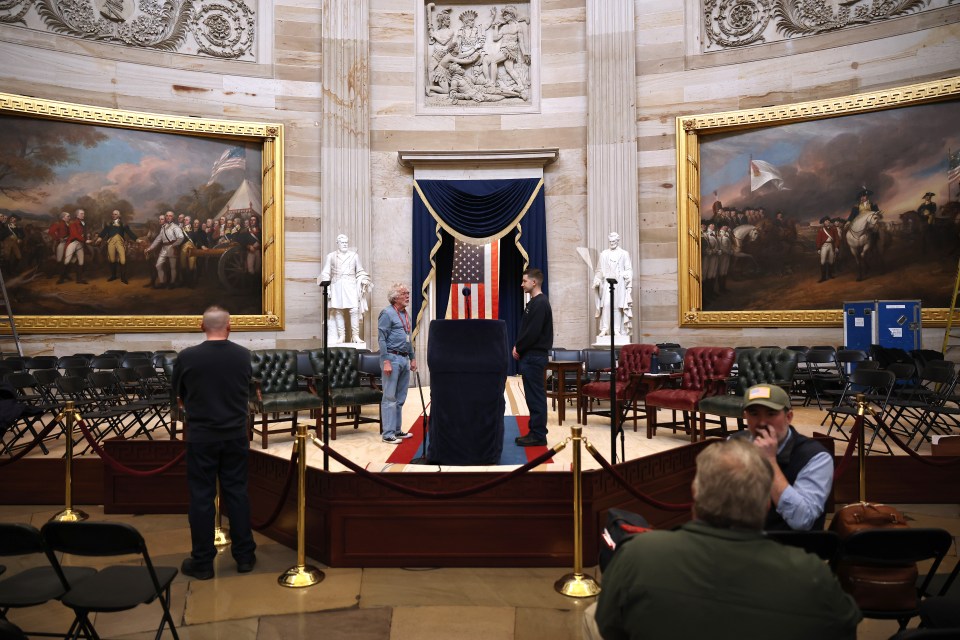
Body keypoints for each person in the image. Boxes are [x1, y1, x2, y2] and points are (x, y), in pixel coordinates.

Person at [590, 438, 861, 640]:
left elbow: (609, 625)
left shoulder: (637, 555)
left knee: (590, 614)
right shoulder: (813, 575)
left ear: (695, 493)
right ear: (767, 502)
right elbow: (844, 628)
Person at [173, 306, 257, 580]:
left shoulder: (187, 358)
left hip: (201, 436)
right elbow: (247, 391)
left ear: (201, 326)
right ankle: (245, 557)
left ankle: (203, 562)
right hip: (235, 434)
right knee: (237, 494)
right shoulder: (243, 356)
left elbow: (179, 396)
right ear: (229, 326)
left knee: (201, 498)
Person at [740, 383, 833, 531]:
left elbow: (802, 520)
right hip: (742, 542)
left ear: (788, 417)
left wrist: (769, 461)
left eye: (771, 413)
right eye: (754, 413)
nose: (762, 422)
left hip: (791, 545)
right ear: (745, 416)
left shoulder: (816, 457)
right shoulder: (735, 444)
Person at [513, 267, 553, 447]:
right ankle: (535, 431)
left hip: (534, 356)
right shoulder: (534, 303)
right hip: (531, 355)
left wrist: (519, 347)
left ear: (534, 282)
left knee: (535, 396)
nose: (522, 284)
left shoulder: (540, 303)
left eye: (524, 281)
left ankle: (538, 435)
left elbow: (533, 333)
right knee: (532, 396)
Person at [378, 283, 417, 444]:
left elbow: (408, 339)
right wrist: (385, 361)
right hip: (392, 359)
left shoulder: (405, 314)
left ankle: (396, 430)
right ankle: (387, 434)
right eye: (404, 293)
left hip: (404, 358)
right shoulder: (387, 313)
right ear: (395, 297)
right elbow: (381, 338)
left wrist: (412, 357)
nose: (408, 295)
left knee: (400, 397)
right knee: (389, 397)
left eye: (408, 292)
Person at [319, 234, 373, 344]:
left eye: (346, 243)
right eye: (342, 243)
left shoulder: (354, 256)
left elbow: (360, 271)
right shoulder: (331, 256)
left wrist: (363, 279)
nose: (345, 244)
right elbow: (325, 273)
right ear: (337, 243)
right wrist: (328, 289)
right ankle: (342, 336)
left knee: (354, 310)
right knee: (338, 311)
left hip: (351, 286)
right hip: (337, 286)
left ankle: (355, 336)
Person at [593, 232, 633, 338]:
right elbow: (599, 270)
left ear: (617, 241)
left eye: (614, 241)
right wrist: (597, 280)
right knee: (606, 305)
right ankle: (605, 328)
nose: (612, 243)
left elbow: (628, 270)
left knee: (617, 307)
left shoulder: (624, 254)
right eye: (610, 242)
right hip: (607, 284)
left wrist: (622, 275)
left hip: (619, 284)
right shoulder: (604, 254)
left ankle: (617, 329)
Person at [145, 210, 185, 289]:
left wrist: (174, 245)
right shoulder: (163, 228)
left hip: (172, 248)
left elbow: (181, 237)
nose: (168, 217)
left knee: (172, 267)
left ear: (173, 217)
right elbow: (158, 239)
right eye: (167, 216)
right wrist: (150, 248)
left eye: (170, 216)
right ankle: (162, 283)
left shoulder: (175, 227)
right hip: (164, 248)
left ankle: (172, 283)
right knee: (158, 265)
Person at [96, 209, 138, 284]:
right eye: (113, 214)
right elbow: (103, 232)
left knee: (123, 259)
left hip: (120, 242)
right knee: (112, 259)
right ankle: (113, 276)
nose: (114, 215)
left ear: (119, 215)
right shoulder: (108, 224)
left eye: (115, 214)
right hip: (111, 243)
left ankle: (123, 278)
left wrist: (137, 239)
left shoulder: (123, 224)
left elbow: (129, 233)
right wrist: (99, 238)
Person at [59, 209, 89, 284]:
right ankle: (61, 279)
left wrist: (87, 237)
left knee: (81, 261)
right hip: (73, 243)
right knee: (67, 260)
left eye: (83, 214)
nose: (83, 215)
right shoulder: (73, 223)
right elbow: (75, 234)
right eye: (82, 214)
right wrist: (85, 240)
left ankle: (79, 280)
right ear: (77, 215)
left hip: (80, 244)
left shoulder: (84, 223)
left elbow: (84, 233)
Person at [816, 216, 840, 282]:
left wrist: (836, 247)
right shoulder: (821, 230)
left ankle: (830, 275)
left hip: (831, 246)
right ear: (824, 222)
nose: (828, 222)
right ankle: (823, 277)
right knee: (823, 261)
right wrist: (818, 248)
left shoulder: (834, 229)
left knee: (831, 260)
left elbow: (837, 238)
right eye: (826, 221)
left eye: (828, 220)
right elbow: (818, 240)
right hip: (824, 246)